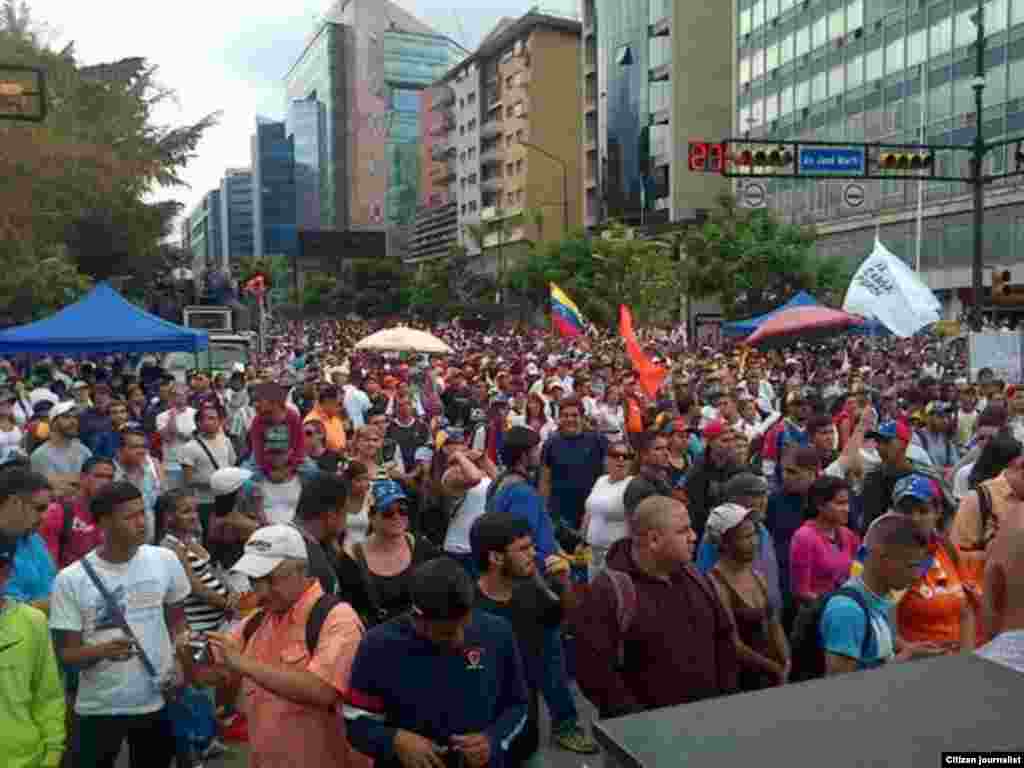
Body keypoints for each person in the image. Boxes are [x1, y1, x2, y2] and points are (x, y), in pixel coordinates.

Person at [201, 524, 367, 768]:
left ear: (301, 570)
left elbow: (322, 690)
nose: (262, 590)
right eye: (255, 580)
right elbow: (208, 675)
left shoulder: (337, 619)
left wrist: (243, 663)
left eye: (270, 579)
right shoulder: (257, 621)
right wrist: (186, 653)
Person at [49, 481, 190, 768]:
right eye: (129, 516)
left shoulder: (164, 560)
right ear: (103, 522)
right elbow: (67, 654)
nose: (141, 522)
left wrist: (180, 660)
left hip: (157, 700)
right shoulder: (71, 579)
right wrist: (103, 651)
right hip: (98, 707)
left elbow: (177, 620)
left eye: (143, 513)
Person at [344, 557, 529, 768]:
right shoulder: (378, 645)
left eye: (466, 624)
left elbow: (518, 704)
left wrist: (493, 740)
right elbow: (354, 722)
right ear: (417, 619)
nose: (460, 638)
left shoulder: (498, 632)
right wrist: (395, 740)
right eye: (446, 633)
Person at [573, 495, 738, 718]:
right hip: (642, 740)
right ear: (654, 539)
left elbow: (724, 639)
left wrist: (723, 703)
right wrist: (640, 724)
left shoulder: (696, 577)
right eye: (683, 531)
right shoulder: (610, 592)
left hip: (706, 725)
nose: (694, 536)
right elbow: (594, 674)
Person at [471, 511, 598, 757]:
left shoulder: (530, 589)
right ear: (496, 557)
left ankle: (565, 725)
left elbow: (565, 622)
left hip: (527, 730)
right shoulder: (471, 612)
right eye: (523, 549)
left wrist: (564, 583)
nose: (534, 554)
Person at [821, 513, 945, 675]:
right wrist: (902, 661)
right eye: (910, 566)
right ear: (881, 557)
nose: (916, 575)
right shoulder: (846, 611)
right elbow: (840, 688)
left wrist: (909, 649)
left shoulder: (884, 598)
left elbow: (878, 644)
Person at [705, 503, 790, 691]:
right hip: (741, 681)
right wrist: (775, 668)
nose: (754, 542)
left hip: (770, 676)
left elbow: (774, 624)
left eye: (754, 534)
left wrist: (786, 660)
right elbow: (734, 644)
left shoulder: (757, 576)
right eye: (746, 537)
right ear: (723, 543)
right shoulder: (716, 584)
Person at [0, 531, 67, 768]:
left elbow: (47, 694)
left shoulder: (32, 621)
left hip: (26, 759)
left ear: (7, 572)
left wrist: (52, 752)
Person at [337, 480, 440, 627]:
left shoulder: (421, 546)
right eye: (388, 512)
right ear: (371, 517)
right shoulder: (352, 559)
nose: (397, 517)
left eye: (402, 510)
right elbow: (350, 614)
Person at [891, 473, 975, 650]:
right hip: (913, 668)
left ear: (937, 513)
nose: (914, 519)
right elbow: (879, 623)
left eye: (923, 511)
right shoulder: (886, 557)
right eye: (906, 511)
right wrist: (909, 651)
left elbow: (966, 611)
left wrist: (966, 658)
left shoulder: (947, 548)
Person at [488, 427, 561, 572]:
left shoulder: (500, 481)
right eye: (535, 449)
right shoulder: (523, 493)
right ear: (523, 455)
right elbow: (522, 542)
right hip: (531, 573)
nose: (539, 453)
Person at [789, 476, 860, 607]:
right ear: (820, 505)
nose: (847, 509)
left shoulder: (847, 535)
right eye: (840, 503)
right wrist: (835, 604)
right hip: (816, 615)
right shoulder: (804, 537)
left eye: (847, 503)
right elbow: (801, 592)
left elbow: (858, 575)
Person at [539, 397, 608, 531]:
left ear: (582, 417)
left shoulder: (598, 440)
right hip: (560, 512)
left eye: (574, 415)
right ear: (559, 418)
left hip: (591, 510)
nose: (570, 419)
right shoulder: (550, 444)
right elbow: (544, 480)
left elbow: (607, 475)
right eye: (565, 416)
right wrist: (543, 511)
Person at [39, 456, 114, 570]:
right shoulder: (58, 512)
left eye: (110, 477)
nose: (105, 482)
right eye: (99, 476)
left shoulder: (112, 514)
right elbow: (48, 564)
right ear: (82, 477)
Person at [179, 404, 236, 537]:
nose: (215, 421)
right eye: (210, 418)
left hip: (226, 499)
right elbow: (188, 480)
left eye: (216, 418)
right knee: (209, 538)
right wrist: (215, 482)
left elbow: (232, 465)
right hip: (204, 502)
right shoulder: (189, 448)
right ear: (199, 423)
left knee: (227, 537)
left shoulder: (226, 441)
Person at [582, 439, 633, 579]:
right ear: (606, 460)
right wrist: (581, 541)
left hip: (616, 555)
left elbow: (634, 522)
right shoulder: (601, 480)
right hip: (593, 552)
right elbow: (589, 512)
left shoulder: (632, 485)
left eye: (626, 456)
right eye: (615, 455)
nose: (621, 459)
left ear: (631, 462)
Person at [441, 449, 495, 576]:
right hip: (460, 549)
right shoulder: (449, 476)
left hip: (481, 547)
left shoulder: (481, 472)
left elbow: (500, 484)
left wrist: (483, 459)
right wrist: (459, 455)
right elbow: (474, 478)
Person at [30, 402, 92, 500]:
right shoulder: (40, 455)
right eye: (66, 417)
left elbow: (91, 482)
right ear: (53, 423)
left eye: (75, 417)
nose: (73, 422)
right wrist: (79, 482)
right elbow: (52, 491)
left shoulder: (83, 450)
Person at [304, 384, 347, 454]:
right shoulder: (312, 422)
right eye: (340, 403)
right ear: (327, 400)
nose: (343, 407)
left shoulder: (335, 417)